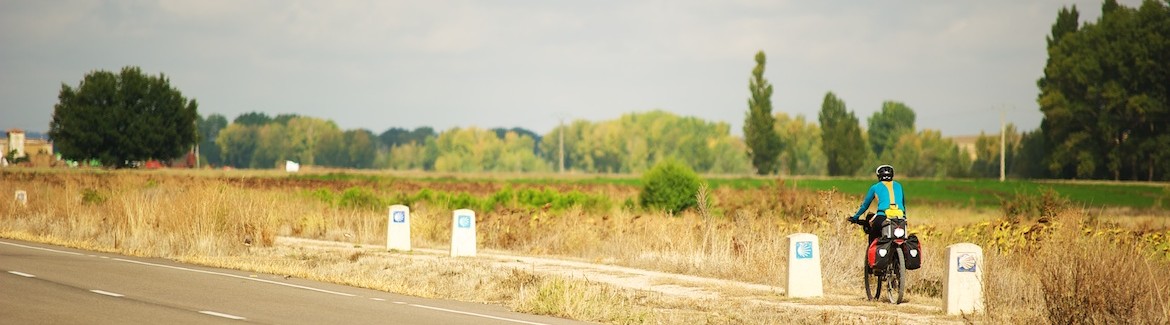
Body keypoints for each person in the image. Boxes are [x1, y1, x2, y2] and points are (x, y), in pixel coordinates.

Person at [848, 165, 906, 244]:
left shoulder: (875, 187)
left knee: (873, 236)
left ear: (879, 176)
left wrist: (855, 217)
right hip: (900, 217)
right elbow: (903, 205)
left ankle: (871, 254)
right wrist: (904, 217)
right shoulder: (899, 186)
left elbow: (865, 205)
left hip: (883, 216)